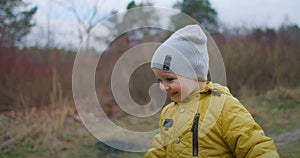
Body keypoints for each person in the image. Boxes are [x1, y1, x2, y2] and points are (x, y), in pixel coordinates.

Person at [144, 24, 279, 157]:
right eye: (159, 81)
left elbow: (255, 147)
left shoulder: (223, 106)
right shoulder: (168, 113)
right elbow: (159, 150)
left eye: (169, 79)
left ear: (193, 74)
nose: (163, 87)